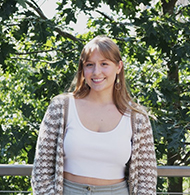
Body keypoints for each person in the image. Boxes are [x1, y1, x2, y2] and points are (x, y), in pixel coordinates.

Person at [31, 35, 157, 195]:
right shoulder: (61, 107)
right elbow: (41, 170)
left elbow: (147, 179)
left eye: (104, 64)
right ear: (82, 70)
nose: (96, 72)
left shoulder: (136, 117)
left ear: (119, 67)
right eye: (89, 65)